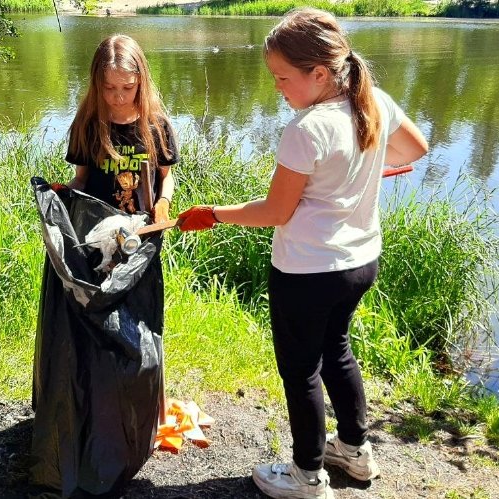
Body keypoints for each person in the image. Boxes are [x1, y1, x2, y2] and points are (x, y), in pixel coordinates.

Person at [177, 8, 428, 499]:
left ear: (318, 74)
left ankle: (306, 476)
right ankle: (355, 452)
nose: (278, 88)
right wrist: (362, 168)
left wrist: (214, 212)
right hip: (360, 263)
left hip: (308, 271)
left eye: (283, 78)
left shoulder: (307, 129)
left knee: (301, 370)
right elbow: (414, 149)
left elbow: (275, 211)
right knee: (336, 351)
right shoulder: (375, 103)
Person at [65, 34, 179, 223]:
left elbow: (166, 177)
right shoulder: (87, 125)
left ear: (140, 81)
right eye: (109, 87)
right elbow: (81, 180)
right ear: (96, 84)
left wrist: (164, 203)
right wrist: (60, 195)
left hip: (142, 231)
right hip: (96, 228)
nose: (119, 97)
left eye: (128, 87)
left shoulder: (157, 126)